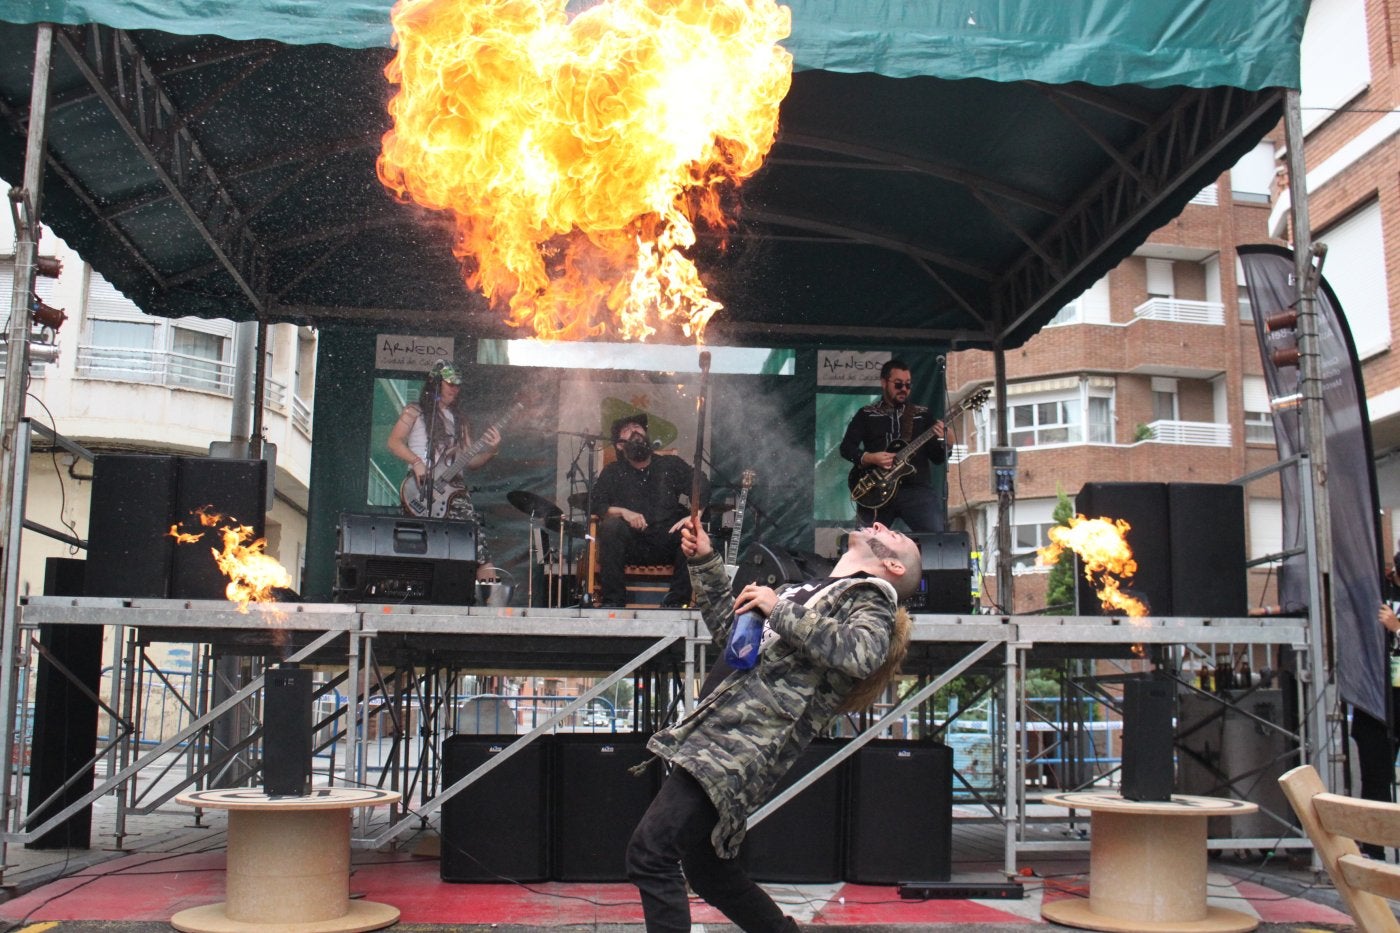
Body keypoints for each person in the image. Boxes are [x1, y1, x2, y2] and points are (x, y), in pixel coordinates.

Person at [625, 519, 918, 933]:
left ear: (894, 566)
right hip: (721, 731)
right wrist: (705, 561)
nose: (879, 524)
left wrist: (777, 606)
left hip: (737, 743)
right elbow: (736, 639)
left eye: (895, 536)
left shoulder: (873, 596)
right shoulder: (811, 591)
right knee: (709, 871)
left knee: (650, 852)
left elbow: (862, 654)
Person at [386, 361, 500, 575]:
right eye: (450, 384)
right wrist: (416, 462)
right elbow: (394, 442)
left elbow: (470, 461)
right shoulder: (414, 411)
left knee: (477, 545)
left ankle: (491, 601)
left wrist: (492, 450)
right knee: (418, 548)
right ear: (435, 383)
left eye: (458, 385)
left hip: (454, 490)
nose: (455, 389)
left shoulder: (461, 420)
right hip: (421, 487)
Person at [590, 413, 706, 608]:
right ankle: (614, 602)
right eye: (627, 430)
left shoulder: (670, 465)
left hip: (667, 542)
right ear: (619, 445)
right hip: (631, 546)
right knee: (610, 527)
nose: (635, 431)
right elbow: (595, 503)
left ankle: (676, 603)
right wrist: (623, 512)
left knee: (690, 531)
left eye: (638, 427)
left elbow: (701, 484)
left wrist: (695, 515)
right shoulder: (613, 472)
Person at [840, 357, 947, 532]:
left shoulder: (922, 415)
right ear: (884, 383)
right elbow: (846, 449)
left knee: (936, 541)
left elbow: (936, 457)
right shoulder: (866, 414)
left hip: (916, 490)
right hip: (874, 489)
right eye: (898, 384)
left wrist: (946, 442)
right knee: (866, 544)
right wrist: (869, 458)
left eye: (908, 385)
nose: (904, 389)